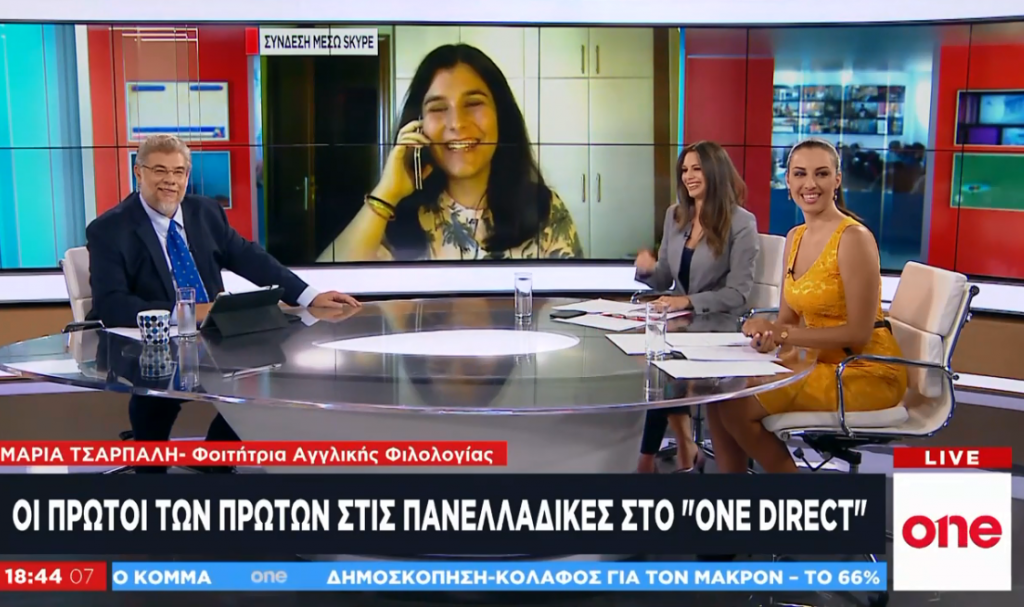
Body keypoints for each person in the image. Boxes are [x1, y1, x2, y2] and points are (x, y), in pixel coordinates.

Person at [87, 134, 361, 473]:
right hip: (151, 343)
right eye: (159, 170)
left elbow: (250, 258)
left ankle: (214, 459)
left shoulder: (205, 212)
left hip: (213, 334)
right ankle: (150, 466)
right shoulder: (109, 229)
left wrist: (309, 295)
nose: (170, 180)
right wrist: (185, 313)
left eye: (178, 172)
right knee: (158, 392)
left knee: (272, 372)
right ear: (138, 172)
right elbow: (111, 304)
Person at [708, 137, 908, 476]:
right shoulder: (795, 237)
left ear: (837, 180)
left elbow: (858, 334)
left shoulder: (854, 238)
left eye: (821, 174)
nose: (810, 184)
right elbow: (787, 320)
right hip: (815, 362)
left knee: (736, 406)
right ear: (787, 181)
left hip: (863, 370)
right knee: (718, 395)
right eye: (800, 174)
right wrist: (767, 335)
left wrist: (782, 333)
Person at [318, 43, 582, 262]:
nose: (456, 123)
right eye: (437, 108)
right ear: (418, 125)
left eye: (473, 103)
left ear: (500, 115)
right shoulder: (395, 219)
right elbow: (325, 294)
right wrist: (387, 192)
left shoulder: (544, 208)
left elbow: (572, 303)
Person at [633, 141, 759, 473]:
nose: (688, 176)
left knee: (665, 367)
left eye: (697, 169)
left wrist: (687, 301)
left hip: (719, 327)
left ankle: (649, 459)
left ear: (715, 172)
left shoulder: (741, 223)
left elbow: (738, 294)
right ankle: (683, 449)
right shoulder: (675, 216)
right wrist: (646, 270)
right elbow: (664, 277)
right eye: (684, 170)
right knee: (659, 362)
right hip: (679, 324)